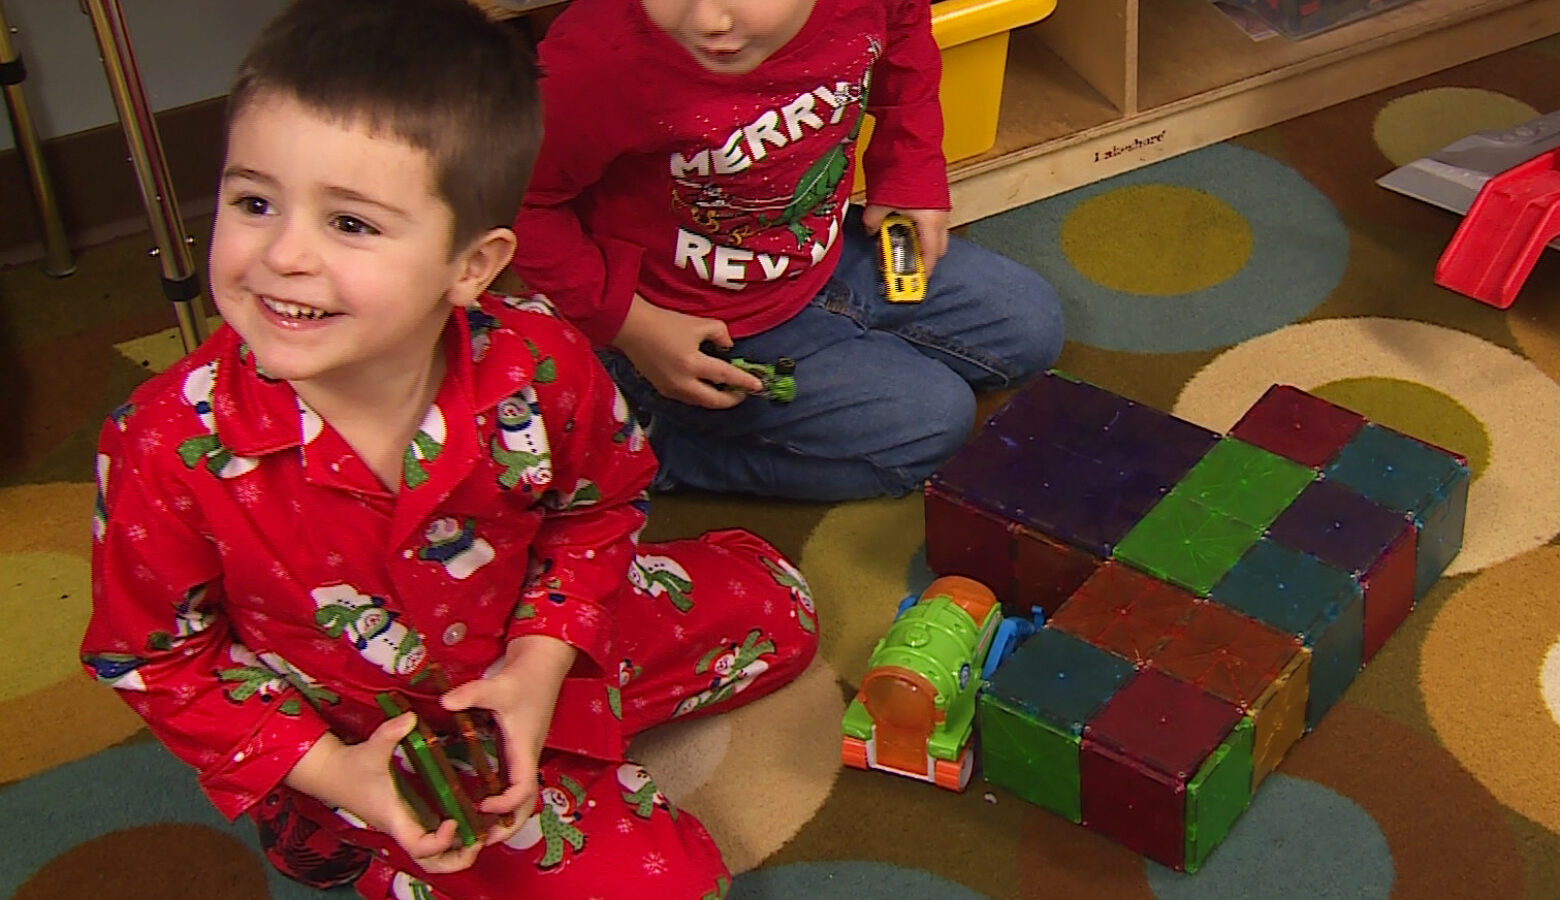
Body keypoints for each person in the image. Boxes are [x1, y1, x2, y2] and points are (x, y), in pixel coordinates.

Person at [79, 1, 817, 898]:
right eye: (253, 201)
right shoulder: (163, 445)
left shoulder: (540, 359)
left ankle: (562, 739)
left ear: (472, 267)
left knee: (785, 608)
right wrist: (328, 771)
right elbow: (153, 659)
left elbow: (602, 506)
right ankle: (329, 820)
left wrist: (541, 666)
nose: (281, 255)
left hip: (533, 647)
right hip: (377, 745)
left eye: (349, 223)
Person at [511, 0, 1066, 502]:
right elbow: (517, 202)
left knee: (1032, 323)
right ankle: (646, 441)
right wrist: (631, 325)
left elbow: (904, 35)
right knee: (931, 426)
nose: (706, 20)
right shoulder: (592, 61)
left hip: (823, 253)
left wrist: (910, 170)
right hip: (689, 322)